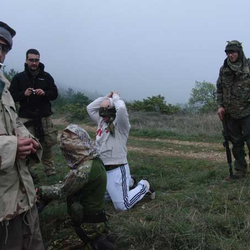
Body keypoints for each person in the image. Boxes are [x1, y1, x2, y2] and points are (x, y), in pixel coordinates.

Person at [0, 21, 45, 250]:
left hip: (22, 194)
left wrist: (27, 139)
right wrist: (11, 146)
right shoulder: (16, 79)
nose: (0, 53)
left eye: (4, 48)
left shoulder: (2, 85)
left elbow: (12, 119)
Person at [38, 124, 115, 250]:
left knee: (52, 246)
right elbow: (68, 183)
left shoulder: (85, 169)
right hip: (94, 218)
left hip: (89, 224)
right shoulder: (93, 160)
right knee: (57, 228)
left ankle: (93, 242)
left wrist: (40, 191)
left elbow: (62, 191)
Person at [87, 91, 155, 211]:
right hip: (103, 170)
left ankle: (144, 185)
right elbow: (90, 108)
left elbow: (122, 109)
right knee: (98, 199)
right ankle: (129, 182)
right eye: (101, 112)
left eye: (106, 111)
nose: (103, 116)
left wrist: (115, 99)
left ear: (113, 110)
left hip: (117, 168)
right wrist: (105, 98)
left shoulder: (121, 125)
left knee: (122, 206)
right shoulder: (101, 122)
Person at [10, 48, 58, 177]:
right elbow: (11, 96)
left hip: (44, 117)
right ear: (26, 60)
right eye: (31, 60)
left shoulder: (46, 76)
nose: (34, 63)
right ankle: (27, 171)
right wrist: (23, 94)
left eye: (36, 60)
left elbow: (54, 94)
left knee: (47, 144)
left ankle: (50, 172)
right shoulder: (18, 78)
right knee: (27, 146)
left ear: (39, 60)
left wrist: (45, 93)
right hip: (26, 118)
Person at [217, 40, 250, 179]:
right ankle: (240, 171)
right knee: (236, 143)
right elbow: (219, 90)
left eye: (233, 52)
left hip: (248, 111)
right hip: (230, 113)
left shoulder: (248, 66)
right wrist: (220, 106)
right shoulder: (224, 69)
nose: (231, 55)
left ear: (239, 52)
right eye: (228, 53)